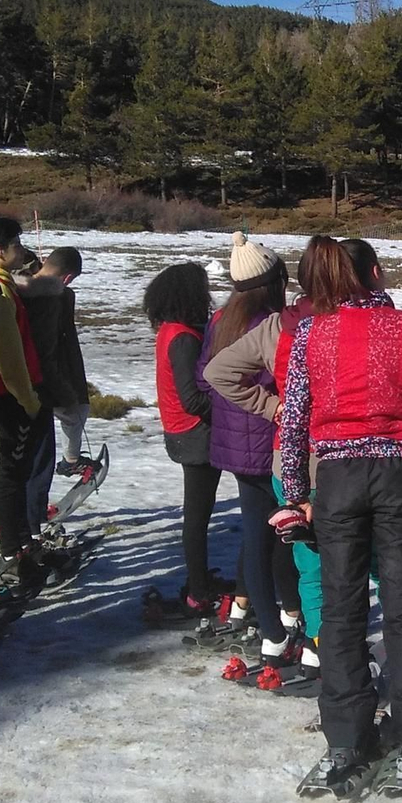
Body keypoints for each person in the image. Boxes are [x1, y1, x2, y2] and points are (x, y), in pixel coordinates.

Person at [280, 236, 402, 795]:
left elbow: (295, 419)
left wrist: (293, 492)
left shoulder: (311, 333)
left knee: (341, 606)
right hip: (400, 472)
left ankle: (346, 736)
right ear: (375, 273)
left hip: (337, 479)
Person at [197, 232, 301, 664]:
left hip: (233, 442)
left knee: (257, 536)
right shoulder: (267, 325)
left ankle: (268, 620)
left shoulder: (221, 320)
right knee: (273, 538)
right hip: (266, 441)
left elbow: (206, 376)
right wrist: (273, 405)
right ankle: (277, 628)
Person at [0, 216, 58, 586]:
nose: (21, 251)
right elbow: (6, 355)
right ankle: (11, 550)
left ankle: (20, 543)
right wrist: (28, 399)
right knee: (11, 472)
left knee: (17, 472)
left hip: (13, 394)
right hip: (11, 396)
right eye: (16, 245)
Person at [143, 261, 226, 618]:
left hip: (183, 431)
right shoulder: (183, 338)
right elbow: (192, 397)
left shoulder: (170, 330)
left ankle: (199, 581)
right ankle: (198, 591)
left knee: (197, 513)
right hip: (195, 433)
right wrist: (232, 415)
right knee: (197, 515)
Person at [23, 246, 92, 528]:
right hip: (39, 381)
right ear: (66, 277)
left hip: (32, 379)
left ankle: (28, 515)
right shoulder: (48, 299)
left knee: (32, 458)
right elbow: (46, 351)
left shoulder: (28, 282)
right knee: (37, 460)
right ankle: (28, 520)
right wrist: (65, 391)